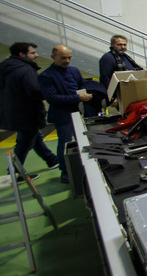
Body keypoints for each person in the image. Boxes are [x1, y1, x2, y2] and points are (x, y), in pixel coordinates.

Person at [0, 42, 59, 179]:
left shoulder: (5, 66)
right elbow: (35, 91)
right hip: (26, 112)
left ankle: (51, 160)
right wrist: (51, 93)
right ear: (22, 54)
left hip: (10, 110)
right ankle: (14, 173)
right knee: (25, 142)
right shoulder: (25, 70)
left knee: (34, 136)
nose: (36, 55)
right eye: (32, 53)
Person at [39, 45, 94, 183]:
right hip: (62, 115)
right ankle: (66, 172)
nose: (67, 60)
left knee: (84, 141)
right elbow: (52, 98)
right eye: (63, 58)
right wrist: (78, 98)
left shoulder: (74, 71)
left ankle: (87, 168)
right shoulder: (46, 76)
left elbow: (82, 85)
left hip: (78, 112)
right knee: (65, 143)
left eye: (69, 57)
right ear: (53, 57)